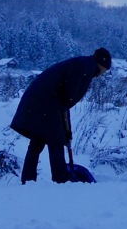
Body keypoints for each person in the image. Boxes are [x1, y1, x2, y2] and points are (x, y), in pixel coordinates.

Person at [10, 47, 111, 184]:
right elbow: (68, 95)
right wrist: (64, 132)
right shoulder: (85, 67)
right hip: (46, 103)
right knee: (56, 140)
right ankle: (60, 179)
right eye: (105, 70)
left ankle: (28, 181)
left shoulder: (84, 64)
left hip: (40, 102)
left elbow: (65, 102)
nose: (103, 73)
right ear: (102, 64)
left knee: (38, 140)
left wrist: (67, 131)